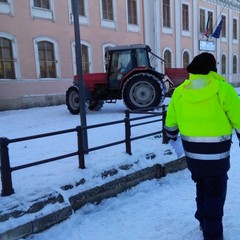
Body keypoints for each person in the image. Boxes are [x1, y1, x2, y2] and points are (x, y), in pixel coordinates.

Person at [164, 52, 240, 240]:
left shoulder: (181, 91)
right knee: (215, 192)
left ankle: (202, 219)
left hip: (193, 157)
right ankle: (212, 234)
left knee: (201, 183)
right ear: (212, 69)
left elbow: (170, 123)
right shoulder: (223, 89)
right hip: (217, 157)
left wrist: (172, 135)